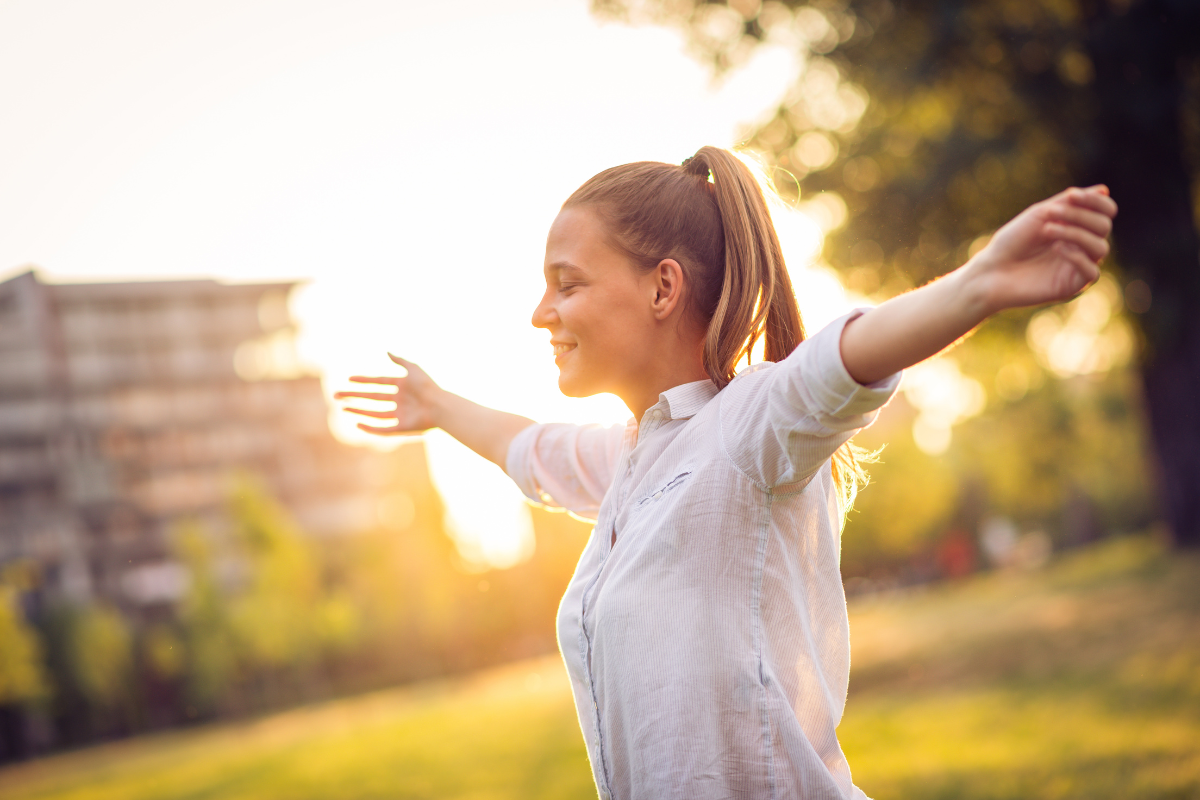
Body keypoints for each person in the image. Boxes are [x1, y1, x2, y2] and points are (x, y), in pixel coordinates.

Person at [335, 146, 1116, 800]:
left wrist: (977, 284)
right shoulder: (631, 461)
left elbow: (843, 358)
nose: (543, 312)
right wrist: (436, 404)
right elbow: (533, 452)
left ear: (663, 288)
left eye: (567, 283)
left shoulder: (747, 429)